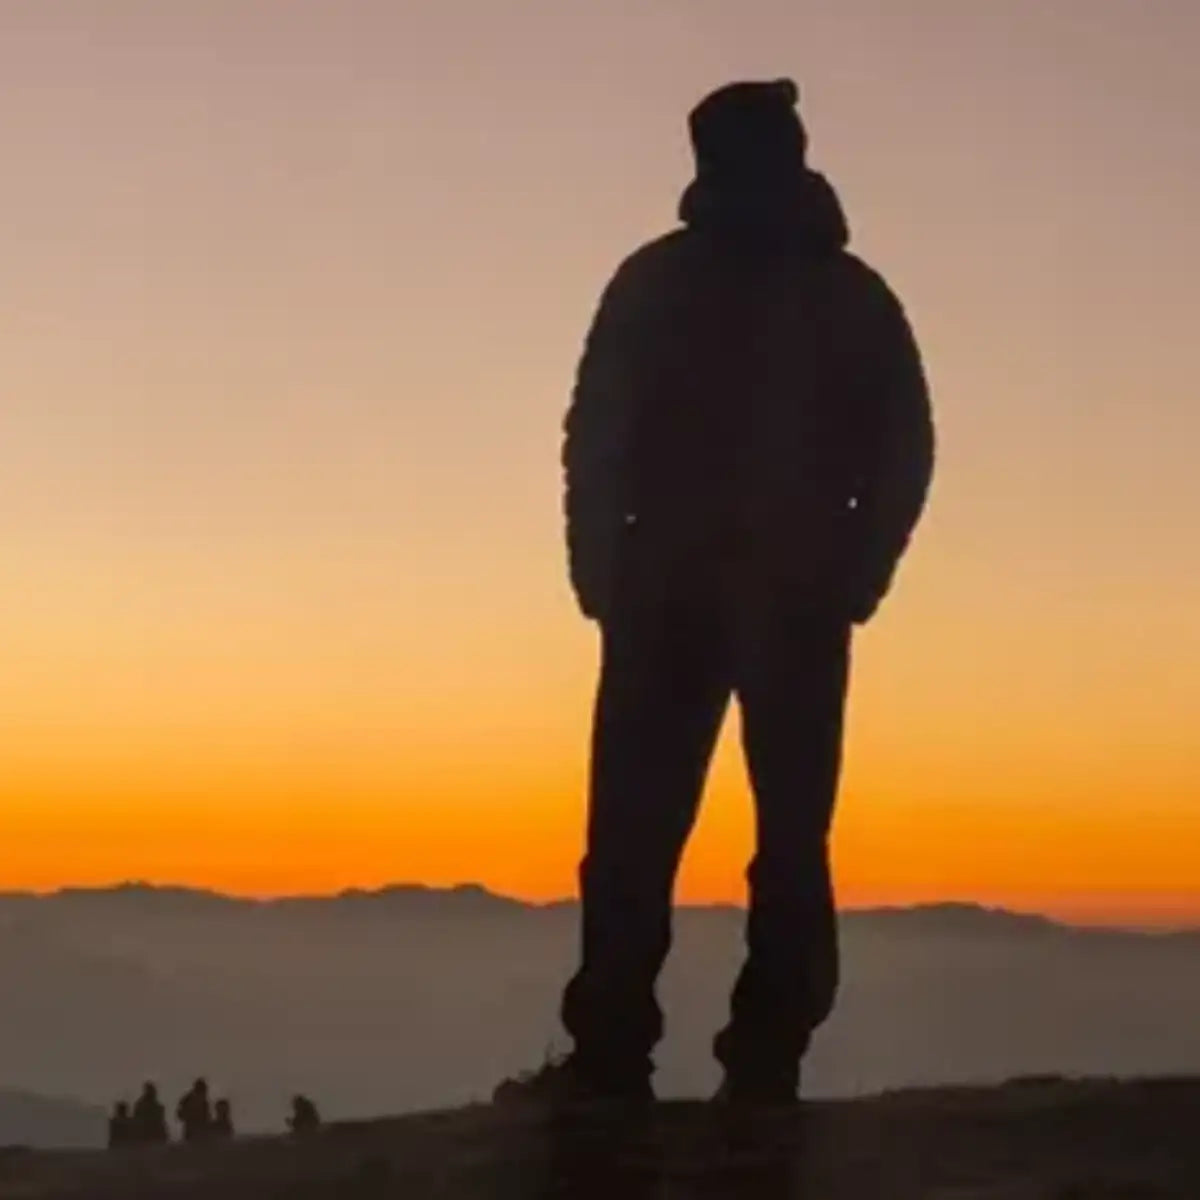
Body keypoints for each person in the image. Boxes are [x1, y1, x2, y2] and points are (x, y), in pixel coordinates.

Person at [496, 79, 934, 1108]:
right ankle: (735, 1055)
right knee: (720, 838)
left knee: (665, 837)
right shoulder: (837, 294)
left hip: (706, 595)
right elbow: (903, 449)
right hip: (728, 597)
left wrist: (604, 569)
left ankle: (648, 1054)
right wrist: (852, 571)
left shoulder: (677, 284)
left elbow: (594, 434)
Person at [176, 1078, 212, 1142]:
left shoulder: (203, 1102)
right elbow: (180, 1114)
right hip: (192, 1130)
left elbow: (207, 1117)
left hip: (200, 1131)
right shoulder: (189, 1099)